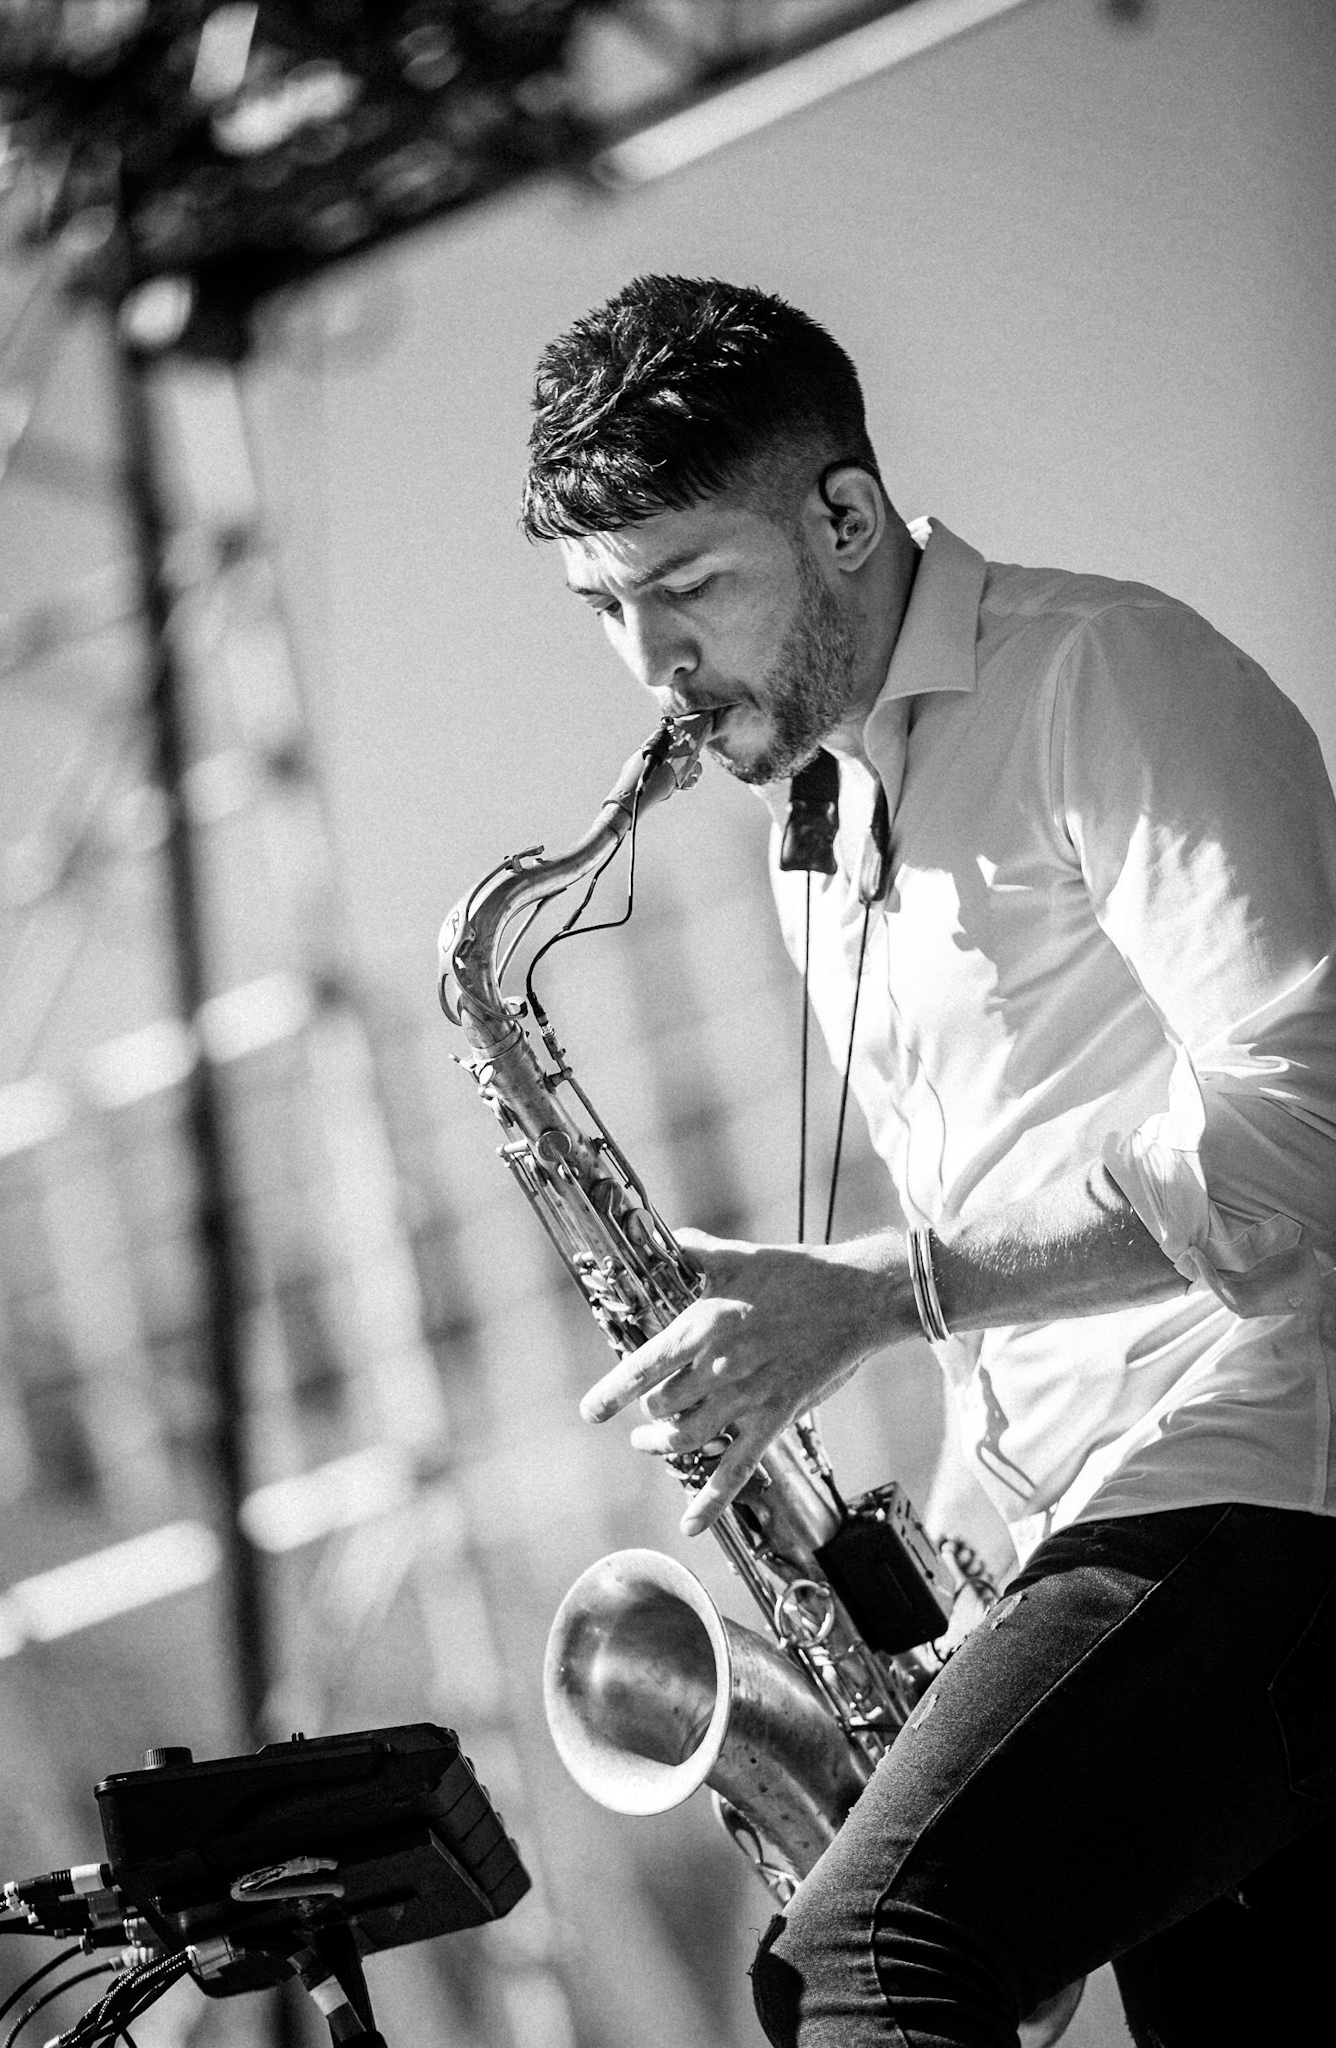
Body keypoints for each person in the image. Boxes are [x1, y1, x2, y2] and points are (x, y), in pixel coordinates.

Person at [518, 275, 1336, 2046]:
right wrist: (938, 1622)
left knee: (865, 1959)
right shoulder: (807, 841)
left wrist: (875, 1293)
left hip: (1267, 1477)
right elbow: (1009, 1268)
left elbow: (1309, 1136)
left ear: (842, 514)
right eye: (604, 607)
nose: (651, 663)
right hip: (1115, 1527)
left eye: (686, 587)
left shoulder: (1099, 672)